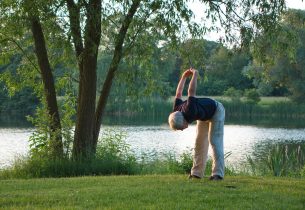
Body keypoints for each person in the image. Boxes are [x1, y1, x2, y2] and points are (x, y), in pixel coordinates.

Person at [168, 68, 225, 180]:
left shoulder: (190, 110)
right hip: (203, 115)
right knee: (199, 143)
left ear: (183, 120)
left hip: (216, 110)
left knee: (215, 141)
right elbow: (178, 92)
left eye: (181, 128)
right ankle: (196, 174)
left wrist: (195, 74)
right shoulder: (176, 110)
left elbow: (191, 91)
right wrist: (184, 77)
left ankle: (218, 174)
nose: (183, 129)